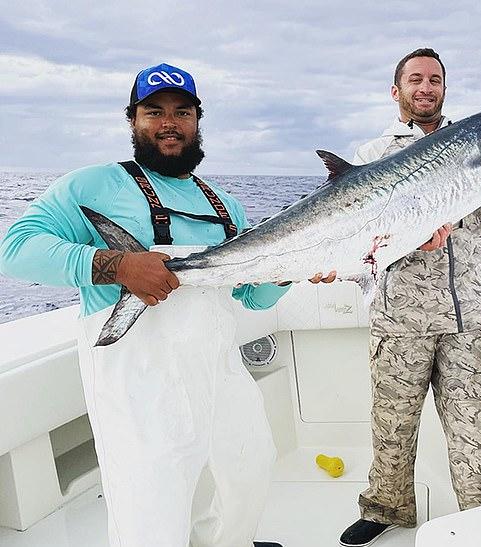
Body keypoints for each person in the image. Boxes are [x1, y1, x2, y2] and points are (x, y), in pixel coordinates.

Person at [0, 63, 333, 547]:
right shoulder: (90, 186)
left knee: (248, 468)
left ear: (198, 120)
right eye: (153, 111)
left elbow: (251, 296)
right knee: (152, 504)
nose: (168, 122)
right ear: (132, 119)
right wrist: (117, 266)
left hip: (217, 367)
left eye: (182, 111)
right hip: (136, 376)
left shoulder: (224, 203)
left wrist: (288, 273)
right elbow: (15, 248)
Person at [339, 48, 481, 546]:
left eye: (435, 79)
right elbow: (357, 239)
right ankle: (385, 507)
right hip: (399, 318)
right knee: (393, 427)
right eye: (415, 79)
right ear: (397, 91)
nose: (426, 87)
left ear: (444, 89)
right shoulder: (372, 154)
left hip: (466, 317)